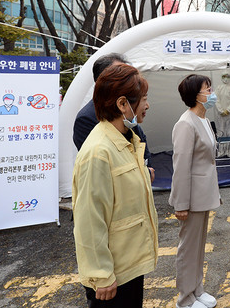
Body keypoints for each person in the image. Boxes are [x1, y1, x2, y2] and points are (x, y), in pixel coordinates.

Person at [72, 63, 158, 307]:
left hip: (128, 264)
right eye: (143, 99)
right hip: (112, 276)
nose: (147, 105)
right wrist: (101, 275)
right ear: (122, 104)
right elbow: (89, 219)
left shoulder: (126, 139)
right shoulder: (98, 152)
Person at [169, 74, 221, 308]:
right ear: (195, 95)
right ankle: (185, 298)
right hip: (190, 198)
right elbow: (181, 166)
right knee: (188, 248)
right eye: (207, 89)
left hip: (203, 195)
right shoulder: (185, 123)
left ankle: (197, 289)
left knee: (199, 246)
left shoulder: (204, 120)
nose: (211, 93)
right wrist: (180, 204)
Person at [73, 53, 155, 182]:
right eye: (120, 75)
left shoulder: (128, 119)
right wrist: (143, 174)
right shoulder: (87, 121)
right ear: (104, 82)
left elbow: (145, 156)